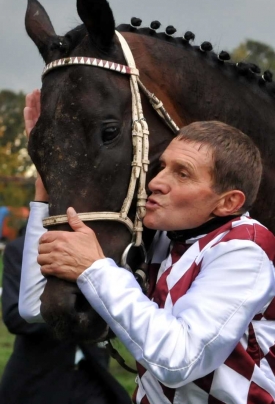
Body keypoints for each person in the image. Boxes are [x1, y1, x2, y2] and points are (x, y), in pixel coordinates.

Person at [19, 91, 275, 404]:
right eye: (163, 166)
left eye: (182, 173)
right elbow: (34, 308)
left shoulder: (245, 248)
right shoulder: (165, 236)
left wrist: (95, 269)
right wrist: (47, 186)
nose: (156, 182)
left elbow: (178, 360)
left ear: (228, 202)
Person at [0, 229, 132, 404]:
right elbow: (14, 317)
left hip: (94, 376)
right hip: (38, 380)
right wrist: (74, 314)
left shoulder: (99, 247)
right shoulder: (20, 249)